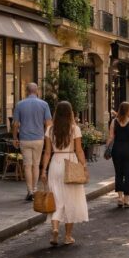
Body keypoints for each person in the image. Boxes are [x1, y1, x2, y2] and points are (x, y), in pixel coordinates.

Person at [40, 101, 89, 246]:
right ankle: (67, 236)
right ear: (70, 113)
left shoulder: (50, 129)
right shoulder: (75, 129)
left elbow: (47, 152)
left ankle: (55, 228)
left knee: (56, 199)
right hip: (70, 162)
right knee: (71, 200)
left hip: (55, 163)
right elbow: (79, 150)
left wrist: (43, 170)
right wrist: (84, 166)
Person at [12, 82, 53, 201]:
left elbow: (15, 124)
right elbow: (49, 124)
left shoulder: (19, 104)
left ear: (26, 91)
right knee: (36, 165)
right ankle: (35, 189)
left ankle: (29, 191)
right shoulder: (44, 104)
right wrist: (47, 138)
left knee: (27, 165)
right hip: (38, 138)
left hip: (24, 138)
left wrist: (15, 137)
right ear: (37, 91)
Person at [105, 102, 129, 208]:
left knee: (119, 173)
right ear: (127, 110)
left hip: (117, 150)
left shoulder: (114, 122)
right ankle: (126, 199)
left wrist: (107, 149)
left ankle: (120, 198)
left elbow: (111, 137)